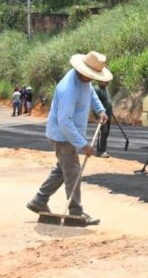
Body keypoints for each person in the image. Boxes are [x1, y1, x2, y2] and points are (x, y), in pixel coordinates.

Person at [25, 51, 111, 226]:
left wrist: (100, 110)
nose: (92, 79)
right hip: (62, 135)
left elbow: (91, 93)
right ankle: (76, 212)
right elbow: (64, 122)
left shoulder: (85, 81)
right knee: (73, 172)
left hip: (70, 134)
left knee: (62, 169)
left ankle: (39, 200)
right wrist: (83, 145)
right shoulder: (68, 89)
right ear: (82, 71)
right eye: (91, 75)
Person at [94, 80, 113, 158]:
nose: (107, 83)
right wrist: (97, 115)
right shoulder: (97, 89)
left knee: (106, 133)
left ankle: (103, 150)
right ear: (100, 81)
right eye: (105, 81)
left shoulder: (105, 89)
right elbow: (95, 103)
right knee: (103, 132)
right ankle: (100, 151)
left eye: (108, 81)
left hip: (108, 114)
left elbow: (107, 101)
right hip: (101, 115)